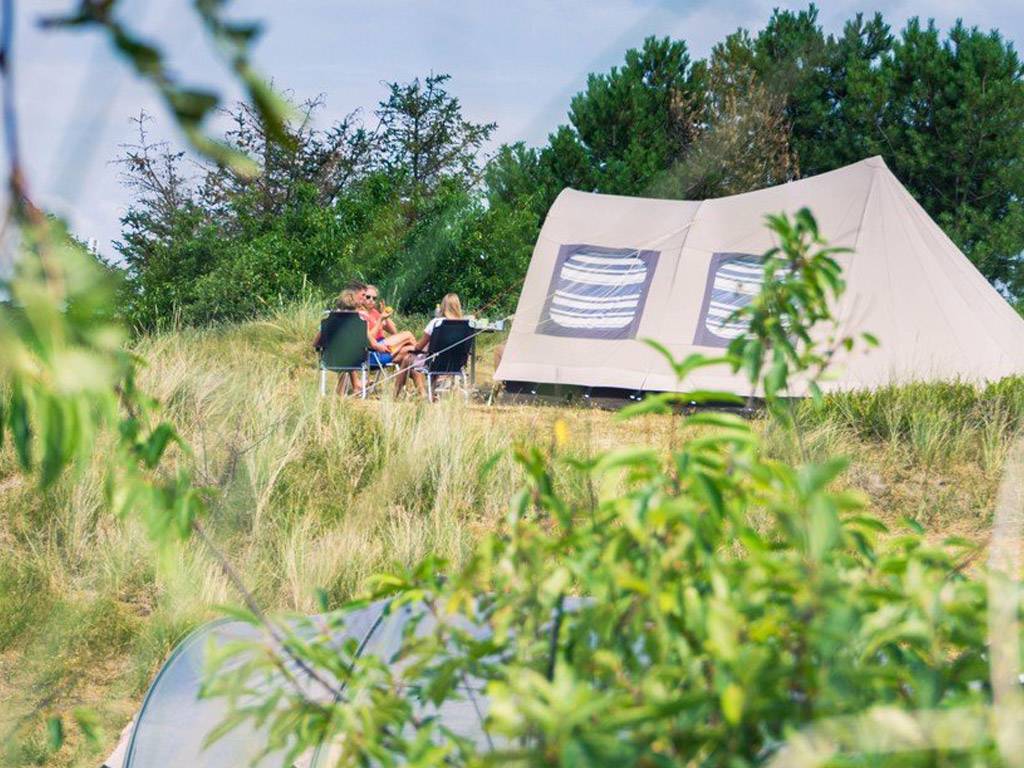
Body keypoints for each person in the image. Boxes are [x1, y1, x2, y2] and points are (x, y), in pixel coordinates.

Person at [394, 293, 465, 399]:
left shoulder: (436, 323)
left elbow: (419, 347)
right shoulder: (464, 325)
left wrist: (411, 348)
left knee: (407, 359)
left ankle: (395, 395)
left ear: (443, 306)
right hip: (455, 364)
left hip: (434, 361)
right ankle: (428, 394)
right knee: (415, 363)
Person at [360, 284, 417, 359]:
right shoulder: (361, 314)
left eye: (374, 298)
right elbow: (369, 340)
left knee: (409, 349)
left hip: (384, 346)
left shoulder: (375, 313)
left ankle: (417, 368)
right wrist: (380, 319)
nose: (371, 300)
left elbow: (394, 331)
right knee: (408, 335)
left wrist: (385, 316)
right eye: (368, 297)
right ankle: (424, 360)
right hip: (373, 350)